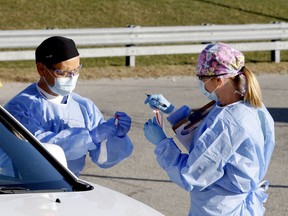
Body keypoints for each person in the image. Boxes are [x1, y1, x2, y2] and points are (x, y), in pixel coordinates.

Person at [143, 42, 275, 216]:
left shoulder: (230, 123)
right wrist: (171, 110)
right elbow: (204, 140)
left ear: (218, 80)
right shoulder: (242, 105)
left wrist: (162, 144)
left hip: (220, 209)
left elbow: (191, 175)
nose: (200, 83)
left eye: (202, 79)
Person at [4, 36, 133, 176]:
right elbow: (41, 148)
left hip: (69, 187)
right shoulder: (20, 108)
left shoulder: (84, 107)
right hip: (28, 188)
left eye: (76, 70)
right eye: (63, 72)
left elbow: (102, 159)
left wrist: (116, 138)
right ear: (41, 69)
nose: (71, 77)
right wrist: (90, 137)